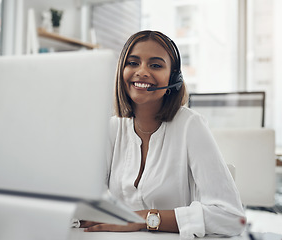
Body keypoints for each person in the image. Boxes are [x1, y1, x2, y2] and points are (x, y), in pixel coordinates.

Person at [81, 30, 246, 238]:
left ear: (174, 78)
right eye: (133, 63)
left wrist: (142, 219)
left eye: (156, 65)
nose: (142, 72)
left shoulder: (190, 126)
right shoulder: (112, 128)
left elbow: (232, 217)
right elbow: (84, 198)